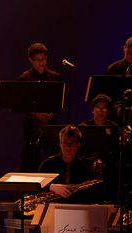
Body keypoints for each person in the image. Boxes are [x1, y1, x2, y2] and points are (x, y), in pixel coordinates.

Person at [17, 42, 62, 172]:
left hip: (51, 123)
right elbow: (21, 104)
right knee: (31, 157)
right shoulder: (25, 78)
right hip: (32, 124)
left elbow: (59, 102)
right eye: (38, 60)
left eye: (44, 59)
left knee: (53, 154)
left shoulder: (54, 77)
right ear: (31, 60)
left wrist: (50, 114)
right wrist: (36, 114)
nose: (42, 63)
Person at [38, 125, 97, 203]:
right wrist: (51, 187)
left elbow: (93, 194)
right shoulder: (47, 164)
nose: (68, 148)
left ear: (78, 145)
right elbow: (36, 187)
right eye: (65, 143)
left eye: (72, 143)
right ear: (60, 144)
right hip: (52, 209)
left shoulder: (86, 166)